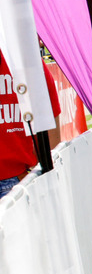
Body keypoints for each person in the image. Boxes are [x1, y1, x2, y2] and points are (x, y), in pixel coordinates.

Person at [0, 48, 61, 199]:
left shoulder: (20, 49)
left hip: (14, 180)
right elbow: (49, 113)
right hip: (16, 180)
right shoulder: (20, 47)